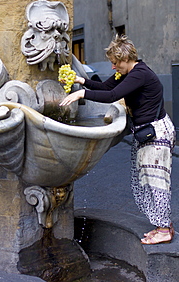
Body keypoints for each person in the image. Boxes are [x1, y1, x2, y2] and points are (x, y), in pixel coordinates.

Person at [60, 34, 176, 245]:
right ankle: (162, 225)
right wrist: (80, 80)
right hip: (147, 132)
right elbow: (107, 88)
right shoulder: (128, 73)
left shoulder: (139, 74)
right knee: (147, 180)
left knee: (156, 182)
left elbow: (111, 97)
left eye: (115, 63)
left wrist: (81, 94)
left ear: (125, 59)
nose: (113, 67)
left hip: (156, 133)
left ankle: (164, 229)